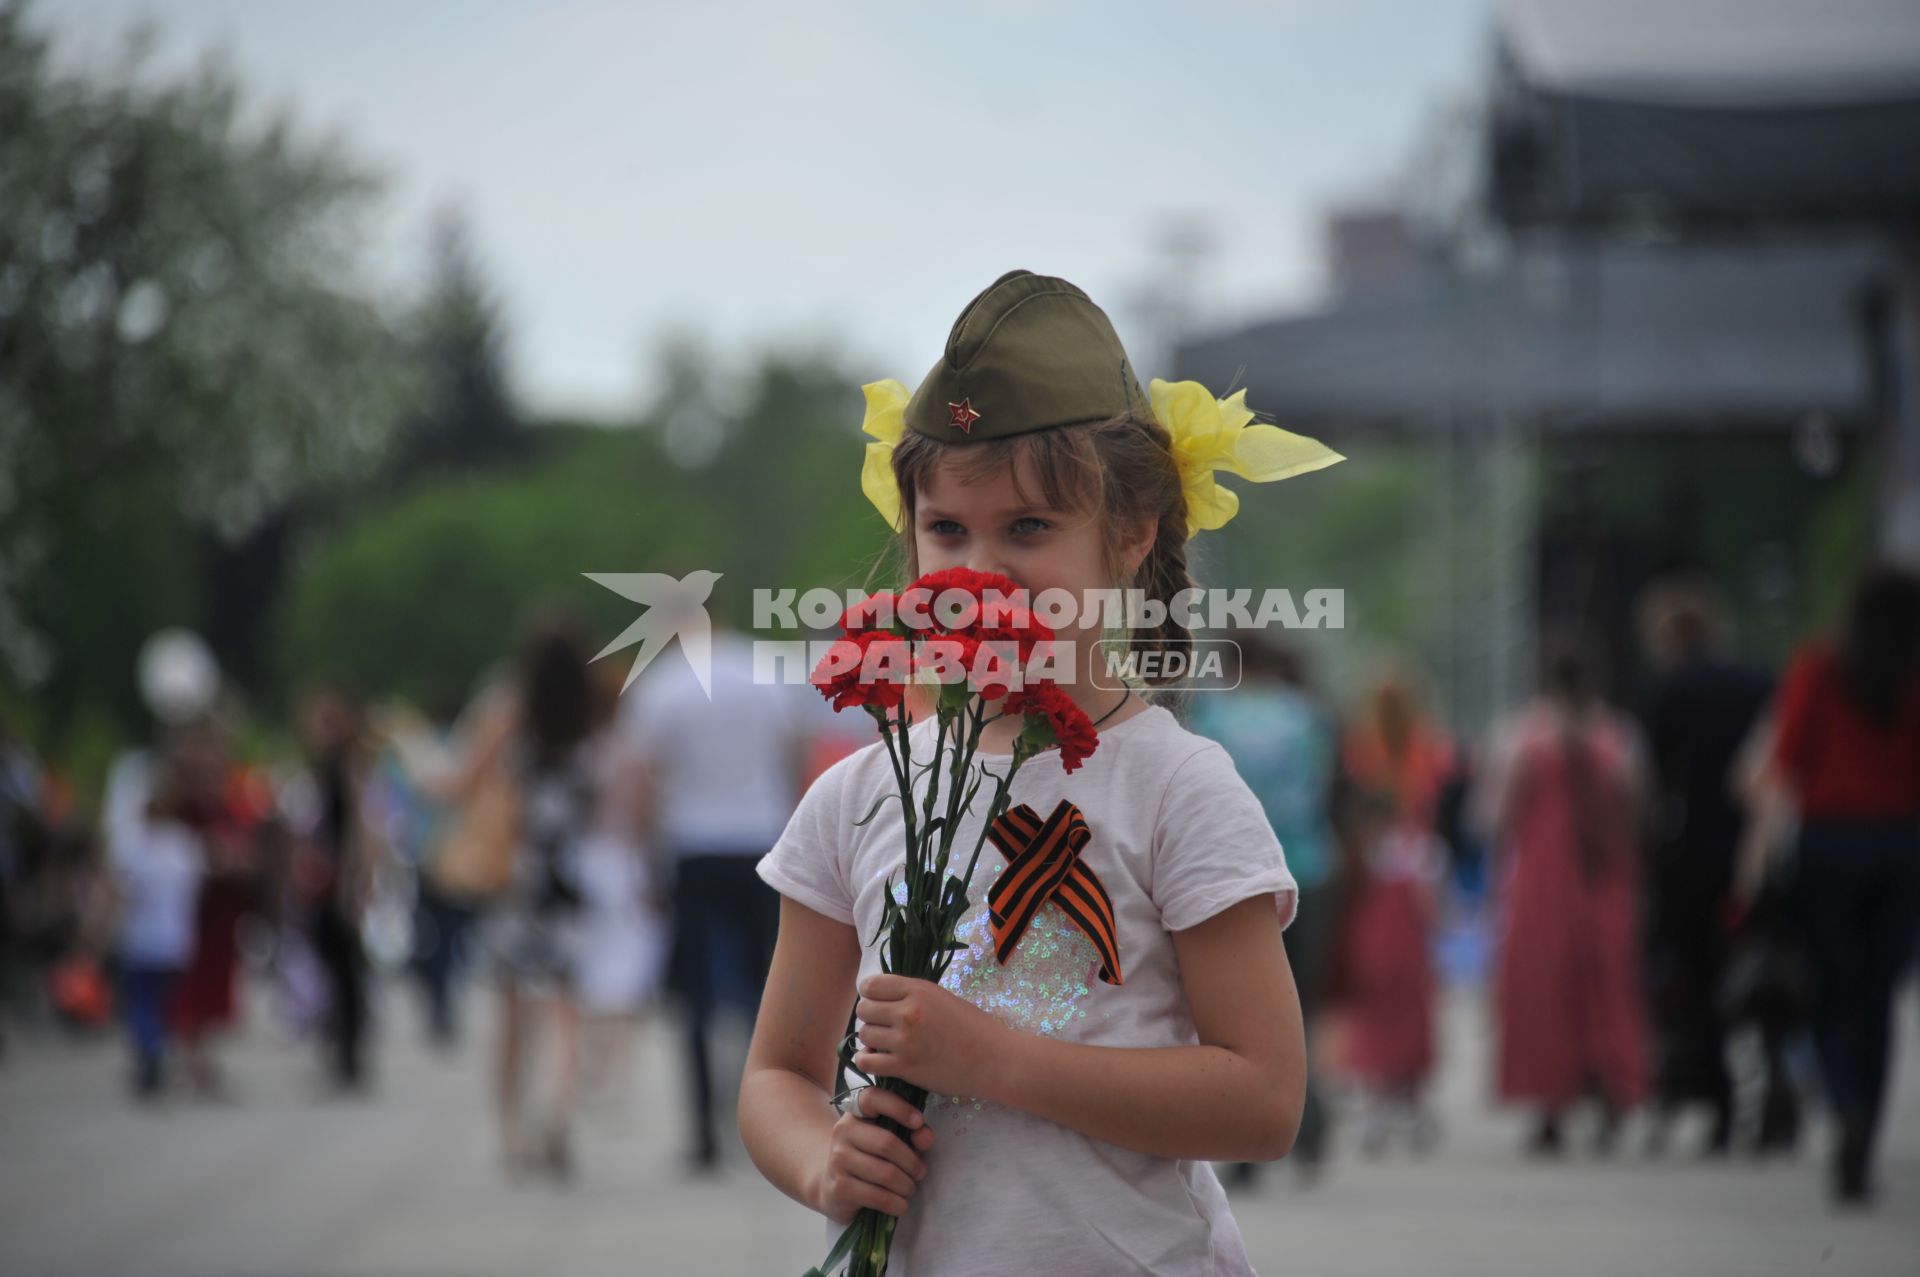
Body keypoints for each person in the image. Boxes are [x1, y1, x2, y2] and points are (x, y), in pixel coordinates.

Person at [740, 270, 1341, 1273]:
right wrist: (823, 1163)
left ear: (1132, 531)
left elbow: (1265, 1099)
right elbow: (777, 1072)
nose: (980, 571)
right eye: (946, 530)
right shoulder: (858, 792)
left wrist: (992, 1060)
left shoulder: (1176, 786)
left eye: (1027, 528)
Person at [622, 607, 811, 1172]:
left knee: (696, 999)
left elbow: (643, 780)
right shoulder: (768, 670)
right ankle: (771, 1122)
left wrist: (644, 862)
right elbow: (797, 755)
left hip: (694, 845)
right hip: (763, 840)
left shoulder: (660, 686)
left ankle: (704, 1131)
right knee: (769, 989)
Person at [1756, 566, 1920, 1206]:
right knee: (1878, 995)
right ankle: (1867, 1124)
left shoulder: (1822, 668)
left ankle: (1843, 1104)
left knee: (1828, 987)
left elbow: (1787, 760)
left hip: (1828, 844)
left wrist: (1763, 855)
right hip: (1903, 846)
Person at [1478, 637, 1649, 1156]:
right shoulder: (1617, 738)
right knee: (1604, 985)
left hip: (1541, 880)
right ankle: (1609, 1093)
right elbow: (1640, 808)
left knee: (1544, 987)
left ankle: (1550, 1105)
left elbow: (1494, 817)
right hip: (1603, 877)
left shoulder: (1520, 739)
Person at [1189, 633, 1341, 1183]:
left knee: (1242, 1017)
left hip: (1231, 877)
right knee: (1303, 1007)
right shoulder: (1307, 716)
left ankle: (1250, 1153)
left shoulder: (1210, 713)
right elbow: (1324, 790)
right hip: (1307, 868)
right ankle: (1313, 1128)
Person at [1632, 578, 1773, 1157]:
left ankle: (1716, 1100)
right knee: (1759, 980)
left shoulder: (1669, 691)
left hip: (1689, 858)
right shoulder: (1758, 684)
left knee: (1693, 980)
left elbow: (1650, 783)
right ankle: (1773, 1092)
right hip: (1752, 854)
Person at [1324, 785, 1443, 1157]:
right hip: (1404, 958)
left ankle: (1382, 1110)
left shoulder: (1360, 855)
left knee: (1377, 1035)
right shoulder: (1421, 851)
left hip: (1376, 955)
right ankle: (1406, 1107)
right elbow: (1434, 907)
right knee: (1404, 1033)